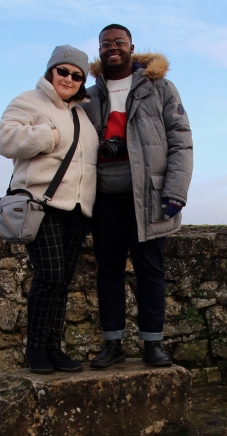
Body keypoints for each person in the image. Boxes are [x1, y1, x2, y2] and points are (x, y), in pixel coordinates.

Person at [81, 24, 193, 368]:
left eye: (118, 42)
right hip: (103, 196)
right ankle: (113, 344)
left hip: (149, 195)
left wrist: (176, 190)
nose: (111, 48)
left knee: (150, 270)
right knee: (109, 270)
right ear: (99, 50)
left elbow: (181, 140)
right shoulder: (90, 94)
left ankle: (152, 345)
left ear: (132, 47)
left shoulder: (159, 87)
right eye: (105, 44)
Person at [0, 45, 99, 374]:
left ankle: (54, 348)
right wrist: (48, 135)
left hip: (78, 208)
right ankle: (36, 349)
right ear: (51, 71)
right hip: (41, 203)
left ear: (83, 82)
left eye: (77, 75)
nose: (69, 78)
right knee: (49, 274)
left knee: (62, 279)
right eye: (63, 71)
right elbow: (5, 140)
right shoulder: (28, 101)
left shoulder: (82, 114)